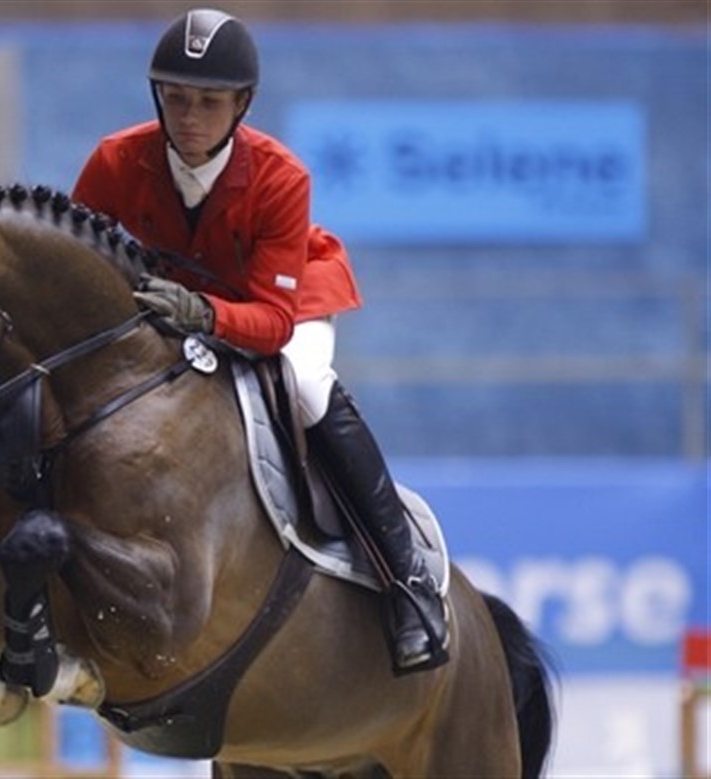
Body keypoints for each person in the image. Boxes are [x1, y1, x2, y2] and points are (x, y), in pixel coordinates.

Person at [71, 8, 449, 674]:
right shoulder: (116, 160)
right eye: (175, 98)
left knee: (304, 387)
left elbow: (272, 321)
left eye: (208, 102)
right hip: (176, 307)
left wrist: (202, 313)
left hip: (283, 302)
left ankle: (407, 580)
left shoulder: (280, 176)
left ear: (241, 104)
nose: (189, 117)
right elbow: (78, 263)